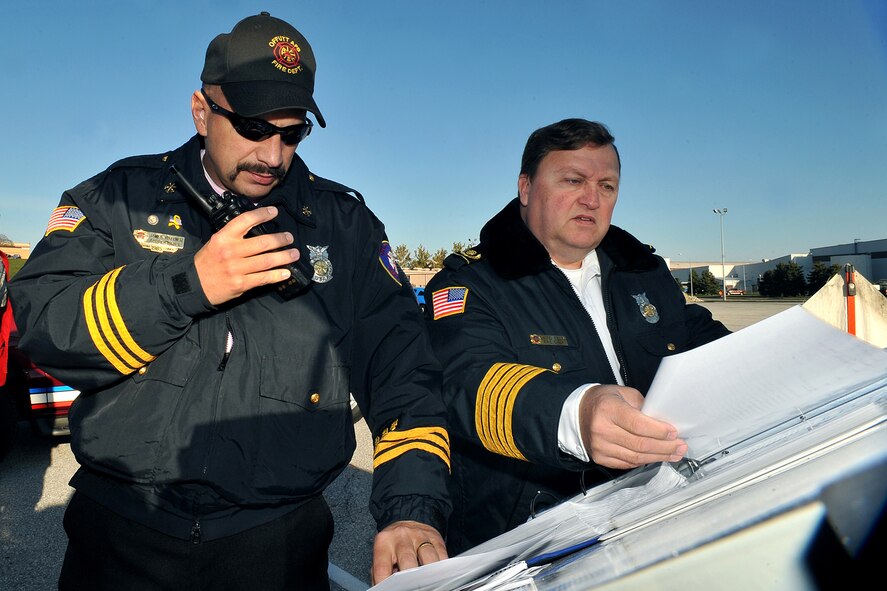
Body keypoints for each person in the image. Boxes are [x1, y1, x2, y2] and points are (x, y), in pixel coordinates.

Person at [10, 13, 450, 590]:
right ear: (201, 111)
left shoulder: (346, 229)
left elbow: (405, 379)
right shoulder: (117, 198)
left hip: (279, 547)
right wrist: (184, 285)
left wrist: (411, 507)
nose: (272, 155)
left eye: (291, 133)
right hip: (123, 537)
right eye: (251, 126)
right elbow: (44, 325)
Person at [424, 118, 730, 553]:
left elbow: (710, 344)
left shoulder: (643, 274)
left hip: (658, 517)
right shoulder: (471, 286)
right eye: (573, 180)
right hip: (536, 538)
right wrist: (577, 414)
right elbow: (466, 381)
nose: (592, 198)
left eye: (607, 186)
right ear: (526, 188)